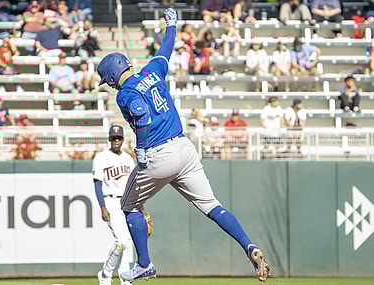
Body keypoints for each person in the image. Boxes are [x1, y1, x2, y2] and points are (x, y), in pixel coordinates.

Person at [96, 8, 270, 283]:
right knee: (212, 206)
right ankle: (248, 245)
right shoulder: (153, 71)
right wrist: (171, 25)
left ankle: (144, 264)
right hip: (184, 149)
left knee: (128, 207)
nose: (111, 87)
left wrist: (140, 148)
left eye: (109, 82)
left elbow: (140, 114)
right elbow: (165, 50)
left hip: (157, 153)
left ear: (113, 76)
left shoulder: (126, 92)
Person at [93, 125, 137, 285]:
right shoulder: (101, 157)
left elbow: (133, 185)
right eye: (113, 137)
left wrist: (141, 208)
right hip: (110, 201)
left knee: (127, 242)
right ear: (109, 139)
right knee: (122, 241)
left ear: (123, 139)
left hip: (127, 202)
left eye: (119, 138)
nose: (116, 140)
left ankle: (125, 279)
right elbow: (97, 183)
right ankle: (105, 273)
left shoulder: (128, 159)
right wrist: (102, 206)